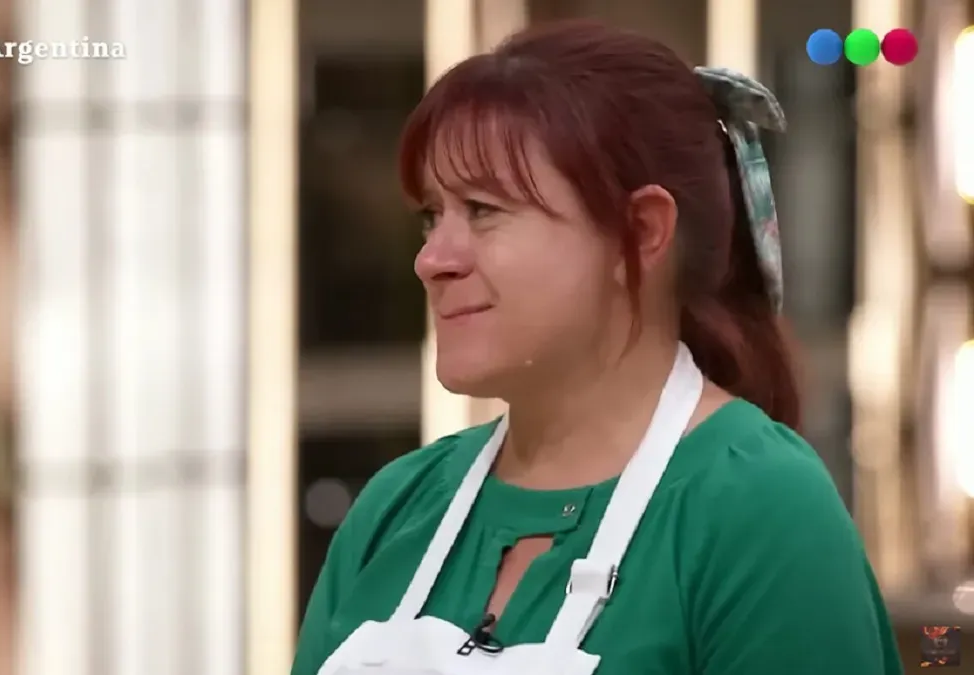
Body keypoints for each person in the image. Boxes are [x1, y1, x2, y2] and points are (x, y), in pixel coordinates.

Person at [291, 19, 903, 675]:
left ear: (641, 231)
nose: (432, 260)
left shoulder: (761, 511)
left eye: (484, 209)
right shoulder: (398, 507)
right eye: (432, 216)